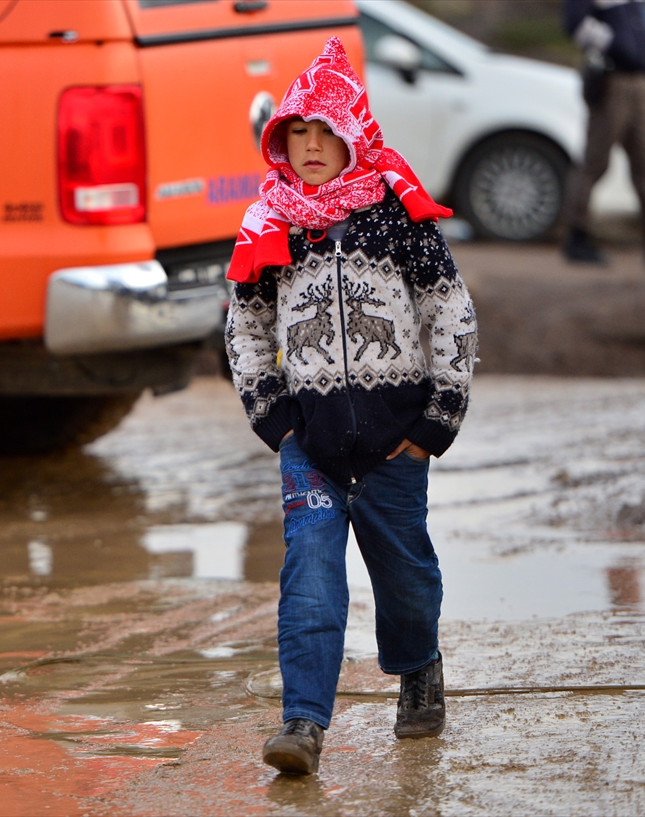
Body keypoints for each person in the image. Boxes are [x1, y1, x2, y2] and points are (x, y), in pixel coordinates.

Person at [224, 37, 476, 776]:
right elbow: (245, 322)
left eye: (321, 132)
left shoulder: (398, 212)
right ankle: (302, 720)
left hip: (396, 440)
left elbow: (449, 310)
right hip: (313, 444)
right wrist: (274, 418)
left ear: (352, 134)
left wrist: (437, 422)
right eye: (294, 133)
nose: (307, 147)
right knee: (309, 571)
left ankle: (418, 665)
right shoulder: (271, 220)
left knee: (405, 578)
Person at [562, 0, 645, 266]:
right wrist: (614, 45)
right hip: (613, 81)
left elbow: (638, 29)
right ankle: (577, 234)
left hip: (640, 80)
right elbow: (574, 22)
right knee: (595, 161)